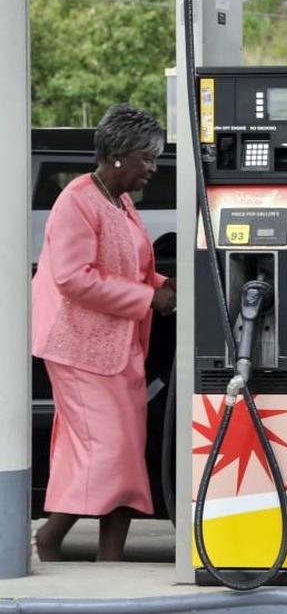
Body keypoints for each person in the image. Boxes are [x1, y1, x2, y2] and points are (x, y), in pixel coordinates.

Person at [30, 105, 176, 561]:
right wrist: (147, 298)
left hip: (119, 344)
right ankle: (50, 539)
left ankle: (109, 557)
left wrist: (163, 284)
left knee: (125, 450)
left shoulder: (121, 201)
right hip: (78, 346)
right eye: (146, 158)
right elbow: (73, 277)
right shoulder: (76, 201)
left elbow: (129, 266)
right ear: (117, 157)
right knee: (107, 450)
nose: (152, 167)